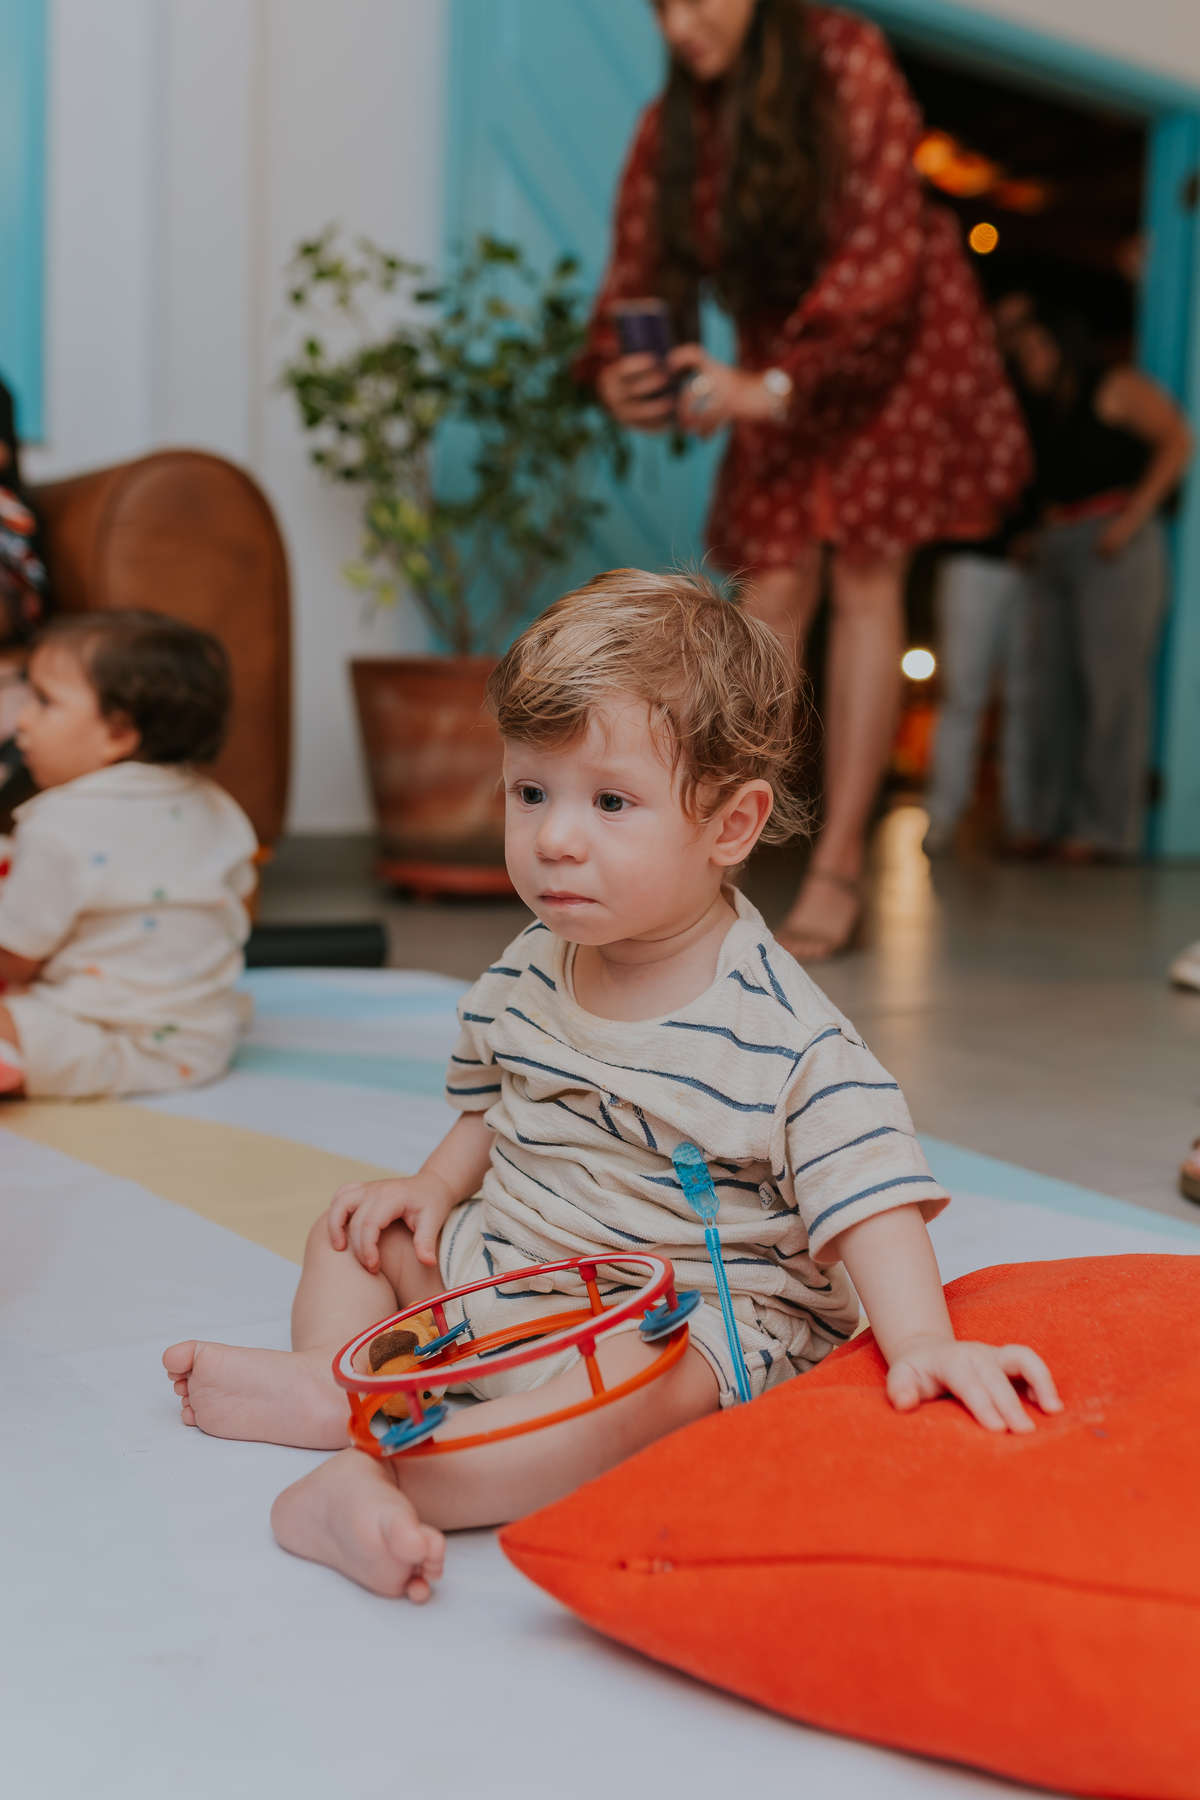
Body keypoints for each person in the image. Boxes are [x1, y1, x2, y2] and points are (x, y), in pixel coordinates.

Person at [162, 570, 1060, 1603]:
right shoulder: (534, 962)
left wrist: (923, 1342)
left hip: (674, 1313)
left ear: (730, 826)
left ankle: (391, 1475)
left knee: (640, 1392)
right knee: (355, 1228)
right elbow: (496, 1103)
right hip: (511, 1267)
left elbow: (870, 1199)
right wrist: (431, 1189)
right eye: (530, 793)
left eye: (611, 802)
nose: (554, 837)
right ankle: (344, 1381)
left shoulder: (782, 1034)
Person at [581, 0, 1030, 958]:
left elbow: (881, 253)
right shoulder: (674, 125)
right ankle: (716, 859)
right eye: (659, 5)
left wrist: (776, 383)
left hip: (890, 343)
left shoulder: (846, 59)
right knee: (772, 586)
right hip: (774, 351)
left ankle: (840, 865)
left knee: (867, 578)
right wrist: (622, 373)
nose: (678, 25)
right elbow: (640, 268)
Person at [0, 610, 257, 1097]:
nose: (22, 720)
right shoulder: (216, 805)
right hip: (202, 1040)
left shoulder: (57, 824)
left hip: (98, 1038)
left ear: (118, 734)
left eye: (44, 702)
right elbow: (234, 901)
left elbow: (15, 960)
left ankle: (17, 1064)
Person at [1009, 308, 1193, 862]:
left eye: (1040, 348)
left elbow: (1178, 440)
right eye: (1022, 354)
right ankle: (1047, 822)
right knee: (1049, 693)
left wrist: (1131, 520)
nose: (1032, 363)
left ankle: (1103, 831)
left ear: (1066, 342)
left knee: (1110, 691)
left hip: (1112, 546)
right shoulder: (1043, 411)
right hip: (1057, 548)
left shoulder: (1114, 385)